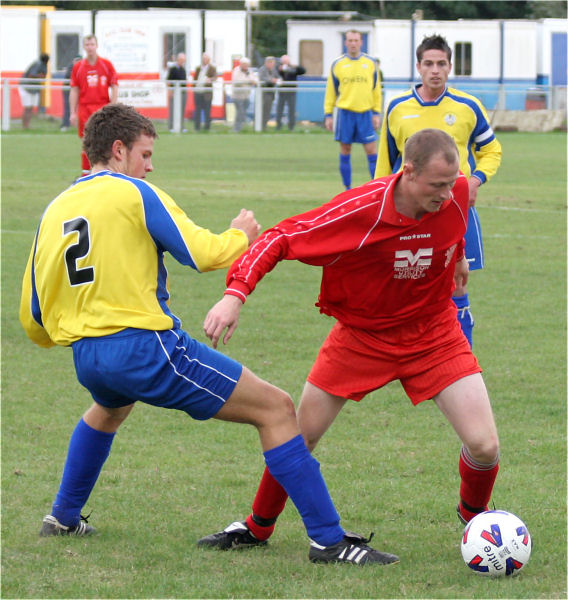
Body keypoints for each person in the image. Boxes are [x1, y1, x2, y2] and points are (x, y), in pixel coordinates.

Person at [19, 102, 398, 567]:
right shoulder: (134, 193)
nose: (150, 165)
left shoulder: (55, 208)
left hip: (87, 357)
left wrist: (83, 335)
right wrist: (240, 235)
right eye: (145, 153)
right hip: (145, 349)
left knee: (109, 409)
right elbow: (201, 253)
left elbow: (33, 312)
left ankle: (62, 516)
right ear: (118, 151)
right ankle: (329, 541)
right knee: (277, 409)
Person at [198, 129, 500, 552]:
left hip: (433, 333)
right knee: (297, 438)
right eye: (437, 185)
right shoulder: (360, 211)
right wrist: (235, 294)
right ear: (407, 172)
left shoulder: (458, 193)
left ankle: (478, 524)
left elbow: (457, 215)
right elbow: (279, 238)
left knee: (485, 445)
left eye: (452, 183)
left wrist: (458, 254)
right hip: (362, 337)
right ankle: (256, 527)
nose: (448, 194)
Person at [374, 34, 502, 348]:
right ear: (418, 67)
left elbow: (492, 150)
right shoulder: (398, 108)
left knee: (457, 282)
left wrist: (476, 181)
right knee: (407, 282)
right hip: (408, 213)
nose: (435, 70)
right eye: (428, 63)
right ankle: (407, 350)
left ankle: (462, 353)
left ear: (450, 67)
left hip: (454, 210)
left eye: (441, 64)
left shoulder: (467, 107)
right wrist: (378, 206)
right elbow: (385, 164)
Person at [324, 30, 382, 190]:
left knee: (371, 150)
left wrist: (376, 112)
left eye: (356, 40)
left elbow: (376, 89)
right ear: (345, 42)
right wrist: (328, 114)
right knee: (345, 148)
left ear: (361, 42)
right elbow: (331, 91)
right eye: (350, 40)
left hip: (365, 113)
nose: (353, 43)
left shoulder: (370, 63)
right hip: (345, 113)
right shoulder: (338, 64)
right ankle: (347, 188)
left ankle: (376, 188)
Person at [70, 35, 118, 176]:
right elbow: (74, 90)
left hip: (102, 107)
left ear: (96, 46)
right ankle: (86, 173)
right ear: (84, 47)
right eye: (87, 45)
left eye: (92, 44)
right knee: (87, 141)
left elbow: (114, 85)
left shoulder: (106, 65)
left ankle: (105, 171)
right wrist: (73, 112)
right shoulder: (78, 67)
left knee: (105, 140)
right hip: (85, 108)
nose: (90, 47)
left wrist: (112, 107)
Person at [19, 53, 49, 129]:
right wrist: (39, 76)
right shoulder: (37, 64)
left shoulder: (44, 65)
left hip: (33, 89)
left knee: (31, 108)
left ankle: (27, 126)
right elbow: (31, 75)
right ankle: (24, 126)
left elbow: (44, 76)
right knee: (27, 107)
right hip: (26, 87)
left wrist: (41, 76)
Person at [276, 54, 306, 131]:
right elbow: (276, 74)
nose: (285, 62)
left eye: (286, 61)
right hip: (282, 91)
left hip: (291, 91)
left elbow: (303, 71)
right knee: (279, 109)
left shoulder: (293, 67)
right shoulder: (278, 67)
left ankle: (291, 127)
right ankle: (278, 126)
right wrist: (280, 70)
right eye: (284, 61)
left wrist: (295, 66)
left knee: (292, 110)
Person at [231, 57, 257, 133]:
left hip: (246, 96)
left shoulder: (250, 71)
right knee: (240, 112)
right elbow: (237, 81)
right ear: (241, 64)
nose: (246, 66)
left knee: (242, 112)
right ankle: (237, 129)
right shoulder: (236, 70)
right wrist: (249, 81)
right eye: (244, 64)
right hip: (237, 96)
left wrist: (252, 81)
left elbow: (254, 79)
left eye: (247, 64)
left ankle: (240, 127)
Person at [193, 52, 217, 131]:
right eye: (203, 59)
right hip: (198, 92)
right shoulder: (198, 68)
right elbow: (195, 79)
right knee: (198, 110)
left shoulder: (212, 68)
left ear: (209, 60)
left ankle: (207, 127)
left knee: (207, 110)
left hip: (207, 93)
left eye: (206, 59)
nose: (205, 60)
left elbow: (215, 77)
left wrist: (210, 79)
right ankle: (197, 127)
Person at [166, 52, 188, 133]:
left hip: (182, 92)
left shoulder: (183, 69)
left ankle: (181, 127)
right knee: (172, 110)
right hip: (174, 93)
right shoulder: (173, 69)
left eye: (184, 60)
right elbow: (168, 80)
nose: (182, 62)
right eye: (181, 60)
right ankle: (171, 127)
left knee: (182, 110)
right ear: (178, 59)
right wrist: (170, 91)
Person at [61, 55, 82, 132]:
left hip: (78, 91)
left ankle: (80, 125)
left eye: (79, 60)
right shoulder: (71, 67)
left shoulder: (82, 67)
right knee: (68, 107)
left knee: (82, 108)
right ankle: (65, 125)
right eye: (76, 60)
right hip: (68, 91)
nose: (77, 62)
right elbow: (71, 76)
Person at [258, 56, 279, 131]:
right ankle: (259, 126)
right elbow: (262, 78)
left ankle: (264, 126)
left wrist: (277, 80)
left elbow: (277, 77)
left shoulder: (273, 70)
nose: (272, 65)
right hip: (264, 93)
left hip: (271, 93)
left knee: (267, 111)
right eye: (271, 63)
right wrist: (271, 80)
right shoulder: (262, 69)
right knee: (262, 110)